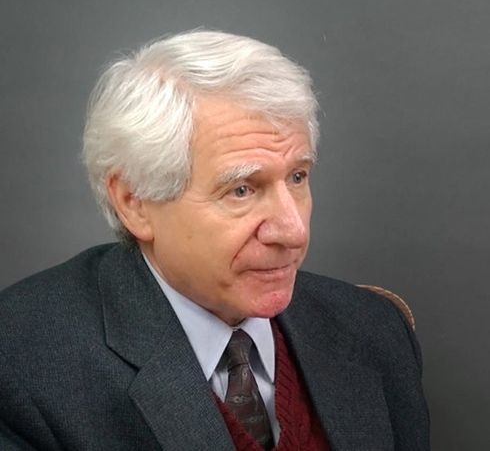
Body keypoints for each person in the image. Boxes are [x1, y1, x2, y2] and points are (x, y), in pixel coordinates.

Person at [0, 30, 430, 451]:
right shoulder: (20, 362)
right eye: (242, 189)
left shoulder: (375, 329)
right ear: (135, 202)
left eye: (298, 177)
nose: (293, 230)